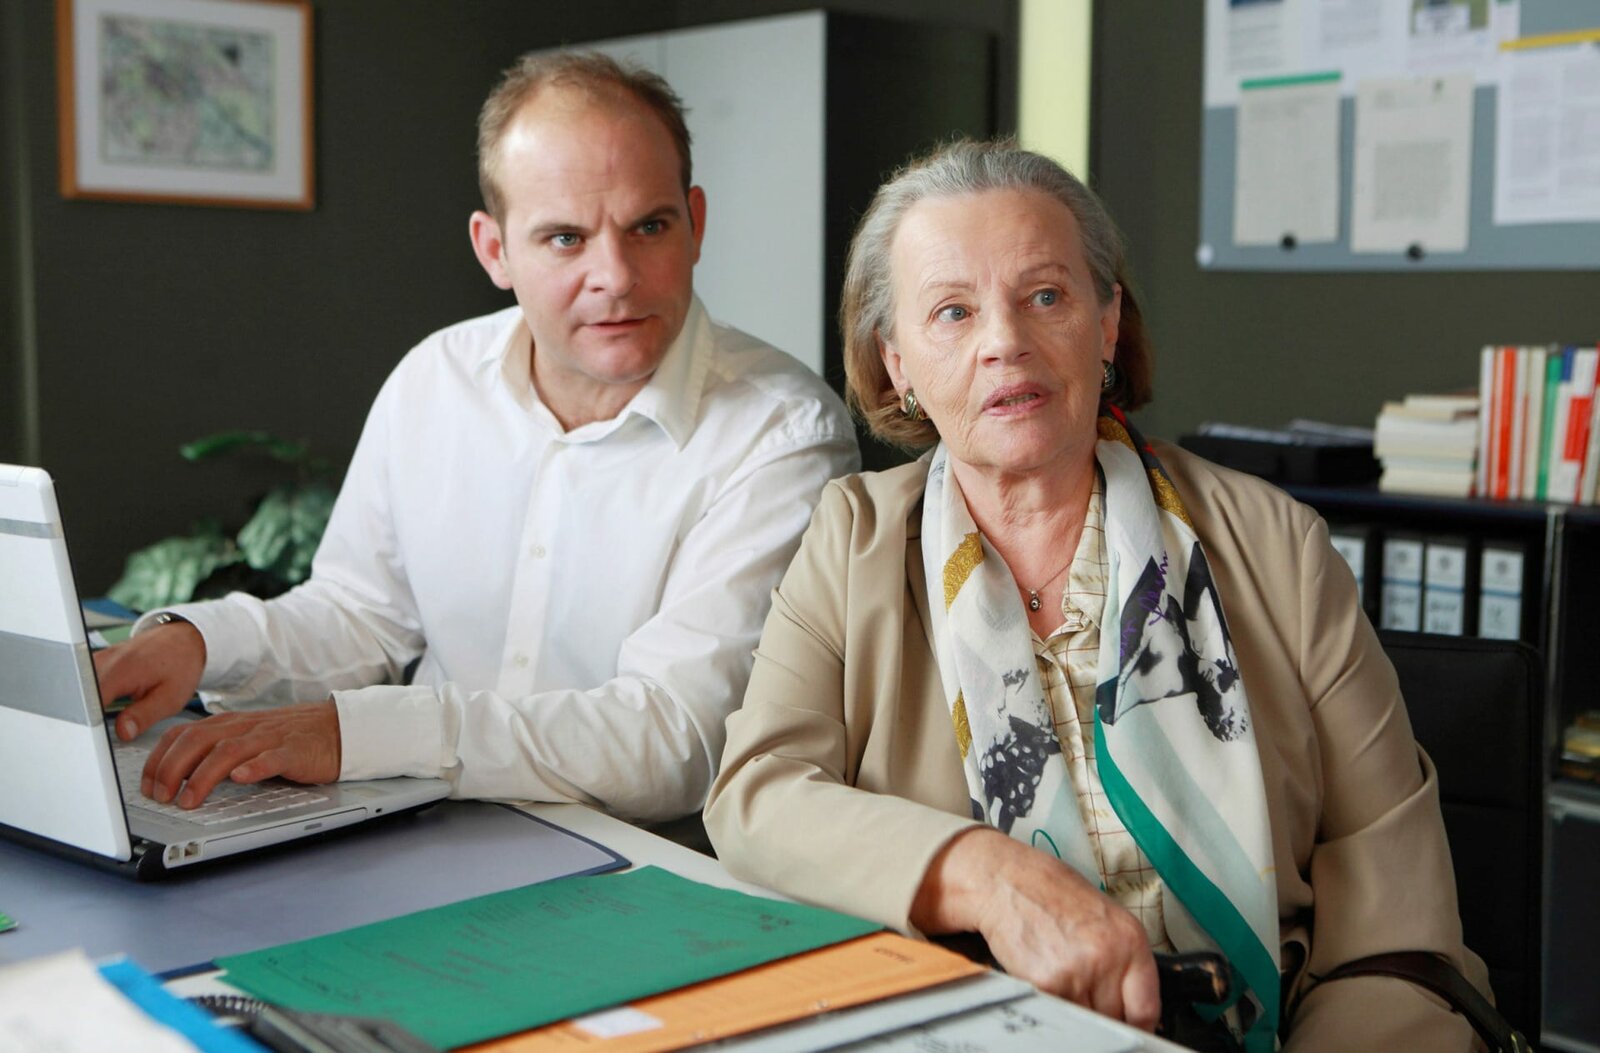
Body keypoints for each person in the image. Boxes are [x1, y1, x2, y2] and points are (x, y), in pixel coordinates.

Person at [703, 139, 1488, 1051]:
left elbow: (1398, 931)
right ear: (897, 362)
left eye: (1045, 296)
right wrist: (988, 876)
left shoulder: (1279, 545)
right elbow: (756, 794)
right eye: (952, 311)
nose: (1004, 341)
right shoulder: (853, 542)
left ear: (1108, 324)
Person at [93, 51, 858, 822]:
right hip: (416, 820)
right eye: (566, 238)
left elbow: (675, 738)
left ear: (695, 225)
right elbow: (360, 614)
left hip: (629, 861)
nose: (617, 276)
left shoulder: (783, 431)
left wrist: (360, 735)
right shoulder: (437, 377)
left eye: (649, 226)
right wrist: (198, 643)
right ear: (495, 250)